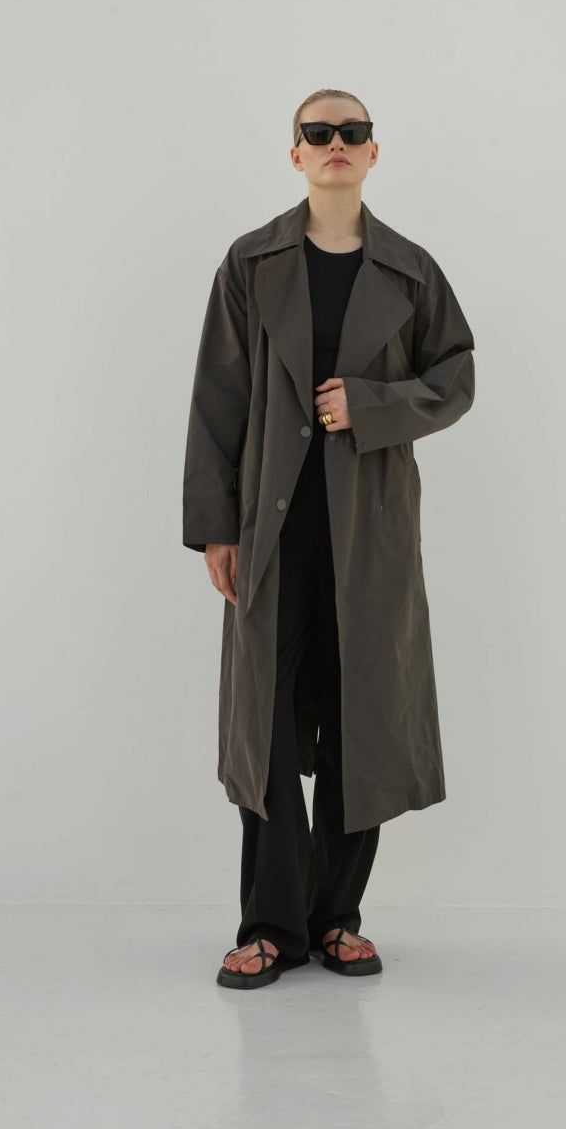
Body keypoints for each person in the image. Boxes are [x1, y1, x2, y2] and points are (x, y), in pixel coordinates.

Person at [182, 89, 476, 989]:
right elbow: (218, 399)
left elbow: (456, 376)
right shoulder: (251, 262)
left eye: (352, 132)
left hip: (370, 531)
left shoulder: (411, 270)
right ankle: (272, 926)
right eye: (319, 132)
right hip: (270, 531)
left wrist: (374, 404)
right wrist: (215, 528)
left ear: (374, 153)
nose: (335, 143)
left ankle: (337, 918)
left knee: (363, 720)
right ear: (297, 154)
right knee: (265, 726)